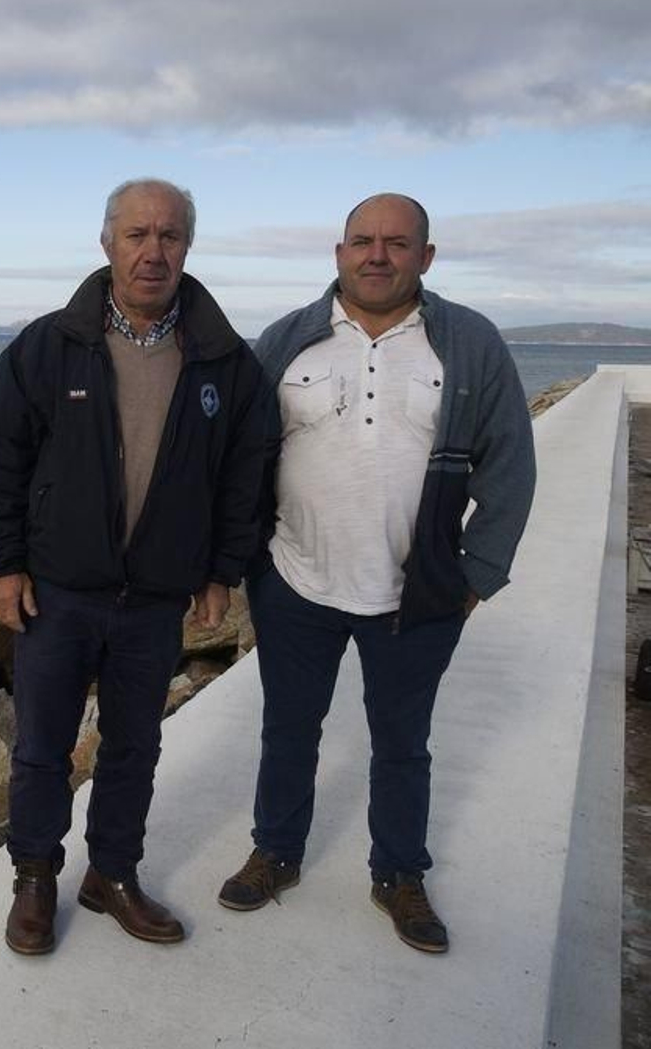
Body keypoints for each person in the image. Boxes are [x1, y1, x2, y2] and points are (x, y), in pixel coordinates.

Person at [216, 193, 536, 954]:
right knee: (289, 730)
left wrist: (474, 576)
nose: (377, 255)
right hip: (294, 580)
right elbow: (238, 457)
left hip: (416, 595)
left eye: (397, 243)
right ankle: (278, 852)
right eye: (362, 240)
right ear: (338, 253)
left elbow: (511, 467)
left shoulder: (470, 345)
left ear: (426, 257)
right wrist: (240, 562)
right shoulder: (286, 343)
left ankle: (398, 874)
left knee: (403, 742)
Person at [0, 178, 268, 955]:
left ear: (187, 248)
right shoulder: (48, 345)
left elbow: (247, 472)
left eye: (169, 236)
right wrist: (3, 566)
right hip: (59, 593)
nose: (153, 251)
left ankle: (113, 875)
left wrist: (220, 570)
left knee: (136, 746)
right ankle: (35, 878)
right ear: (107, 244)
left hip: (155, 599)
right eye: (137, 234)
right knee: (41, 747)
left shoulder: (224, 360)